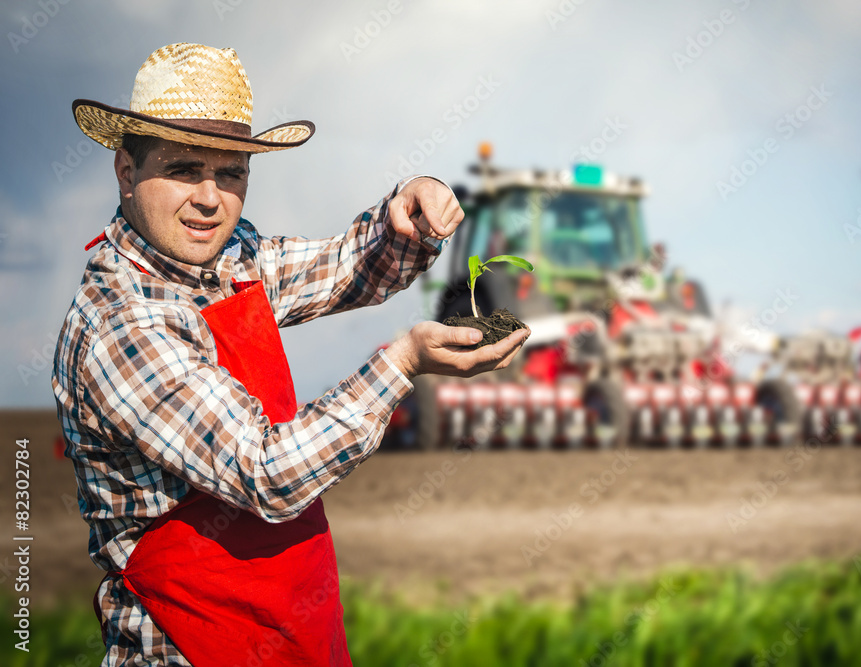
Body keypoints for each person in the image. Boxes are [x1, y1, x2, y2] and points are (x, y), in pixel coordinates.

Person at [51, 42, 529, 666]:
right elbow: (266, 473)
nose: (209, 198)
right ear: (126, 171)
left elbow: (342, 269)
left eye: (230, 174)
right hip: (187, 646)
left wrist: (407, 212)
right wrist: (401, 364)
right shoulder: (123, 325)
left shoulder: (231, 261)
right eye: (183, 168)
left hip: (288, 632)